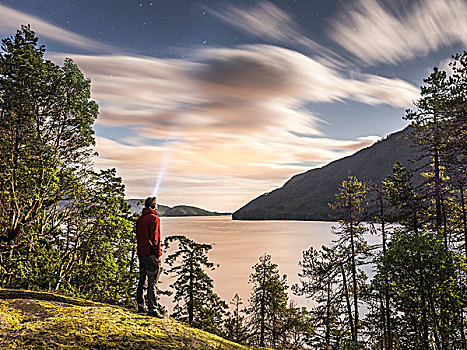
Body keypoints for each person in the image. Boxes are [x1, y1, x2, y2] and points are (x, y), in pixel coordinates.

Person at [136, 196, 162, 317]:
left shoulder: (140, 219)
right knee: (152, 282)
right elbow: (155, 239)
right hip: (151, 254)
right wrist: (158, 255)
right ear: (153, 206)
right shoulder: (154, 219)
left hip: (141, 253)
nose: (157, 206)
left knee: (142, 280)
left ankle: (141, 306)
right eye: (156, 204)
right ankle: (153, 309)